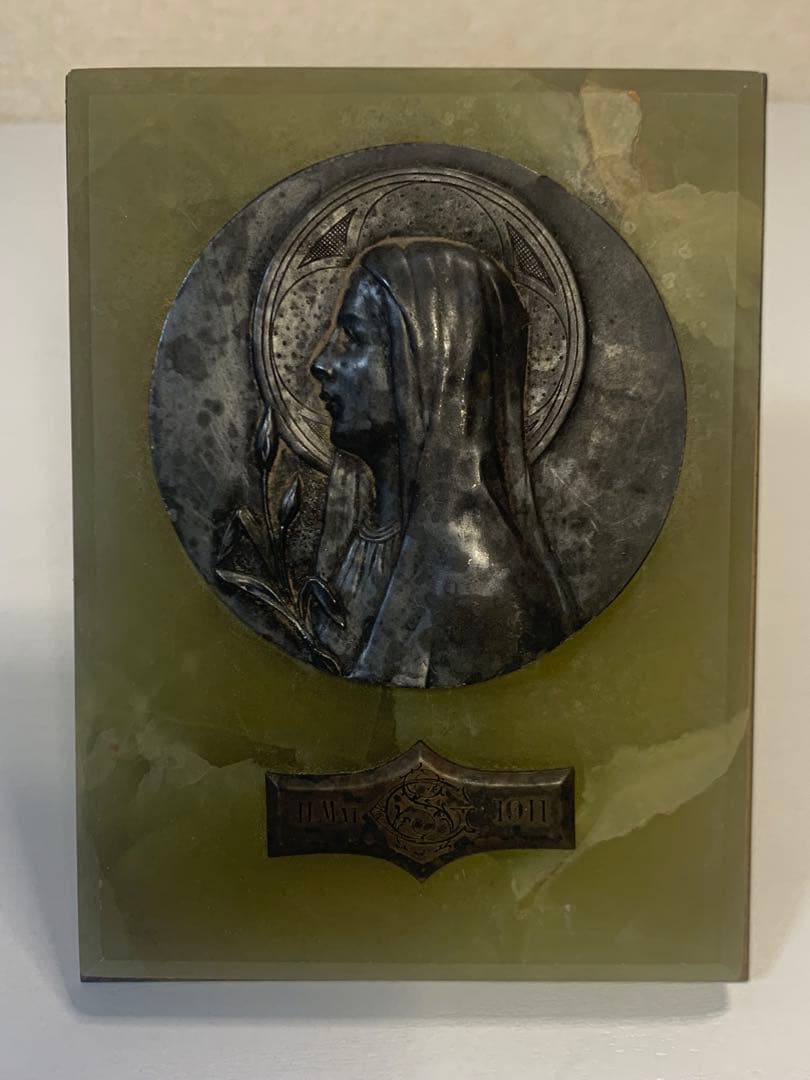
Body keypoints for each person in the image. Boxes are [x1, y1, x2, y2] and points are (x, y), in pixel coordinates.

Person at [309, 238, 574, 687]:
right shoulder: (369, 541)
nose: (321, 363)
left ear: (432, 362)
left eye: (352, 338)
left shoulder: (478, 588)